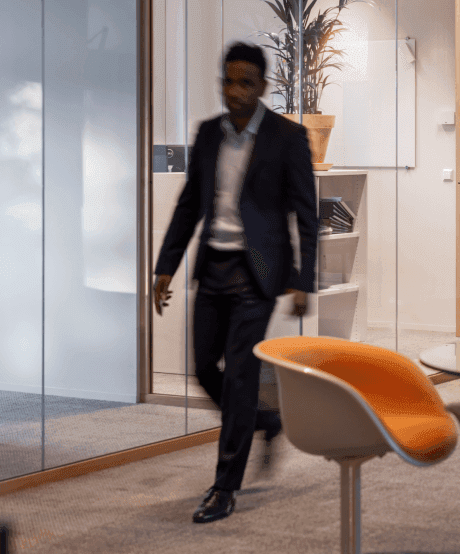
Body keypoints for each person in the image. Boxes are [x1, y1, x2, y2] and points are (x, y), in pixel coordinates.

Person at [152, 42, 317, 524]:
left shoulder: (288, 137)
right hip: (215, 266)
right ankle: (266, 422)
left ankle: (225, 486)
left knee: (242, 376)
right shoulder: (208, 134)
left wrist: (304, 279)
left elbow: (306, 215)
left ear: (263, 87)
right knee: (204, 367)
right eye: (228, 81)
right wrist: (167, 264)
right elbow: (189, 205)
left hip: (257, 274)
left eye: (245, 82)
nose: (235, 91)